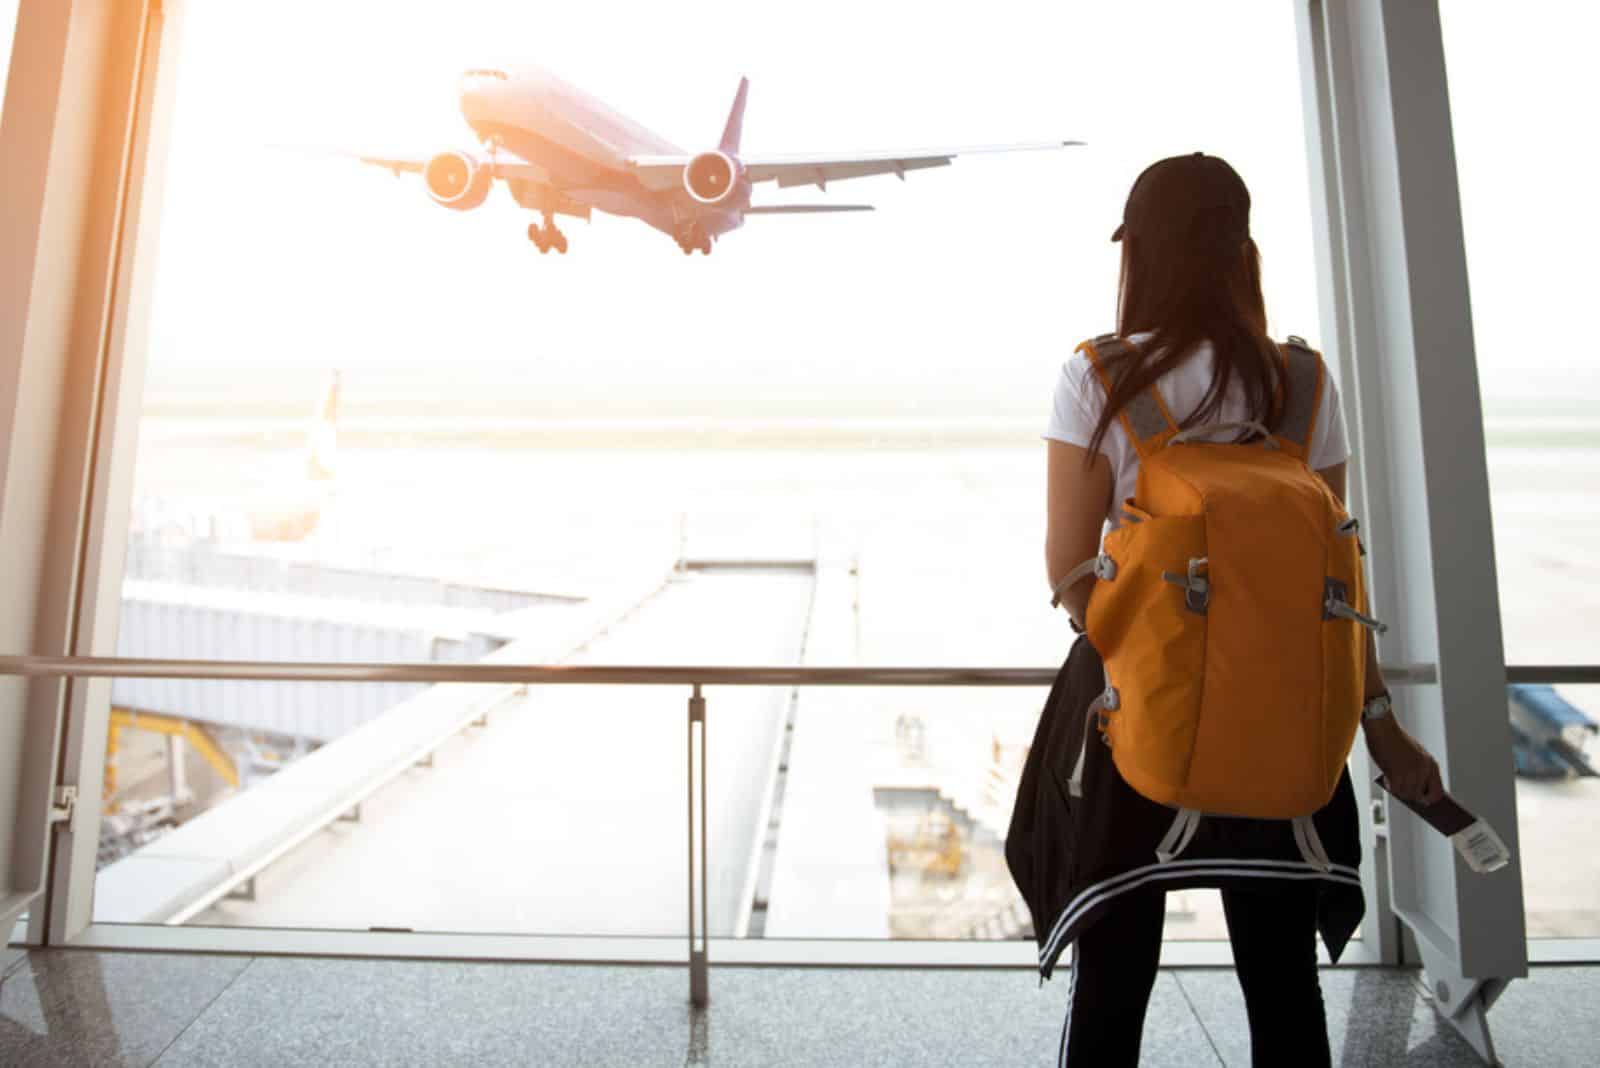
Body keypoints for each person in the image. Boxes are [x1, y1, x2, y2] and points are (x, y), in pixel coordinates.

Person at [1040, 153, 1444, 1066]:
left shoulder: (1098, 378)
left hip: (1134, 714)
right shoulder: (1301, 383)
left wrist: (1147, 639)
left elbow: (1070, 572)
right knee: (1280, 981)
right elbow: (1337, 583)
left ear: (1136, 252)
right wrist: (1379, 725)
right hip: (1280, 705)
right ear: (1241, 250)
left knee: (1114, 977)